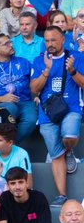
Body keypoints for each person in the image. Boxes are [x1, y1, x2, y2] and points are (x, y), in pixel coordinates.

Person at [31, 27, 84, 205]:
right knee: (55, 156)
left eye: (53, 40)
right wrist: (46, 70)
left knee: (69, 136)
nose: (50, 44)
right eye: (46, 40)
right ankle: (62, 195)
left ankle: (69, 150)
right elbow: (34, 89)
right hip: (47, 114)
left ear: (63, 39)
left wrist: (73, 72)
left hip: (71, 109)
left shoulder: (77, 57)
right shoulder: (40, 60)